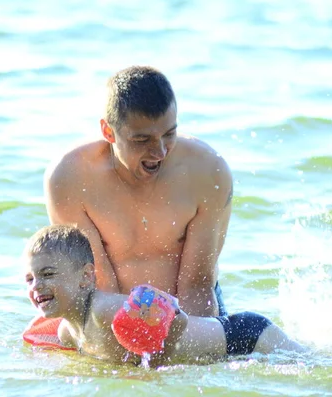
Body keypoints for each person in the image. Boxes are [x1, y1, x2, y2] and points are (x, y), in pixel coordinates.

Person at [44, 65, 232, 316]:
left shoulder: (208, 171)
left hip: (187, 310)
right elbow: (98, 285)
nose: (160, 151)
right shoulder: (69, 178)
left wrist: (186, 343)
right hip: (107, 307)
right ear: (108, 131)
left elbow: (197, 286)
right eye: (142, 140)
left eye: (169, 134)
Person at [23, 225, 305, 366]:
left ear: (86, 276)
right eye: (30, 279)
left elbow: (177, 321)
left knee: (317, 365)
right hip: (220, 353)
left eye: (48, 275)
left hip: (245, 337)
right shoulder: (67, 333)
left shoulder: (105, 311)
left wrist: (155, 363)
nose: (36, 286)